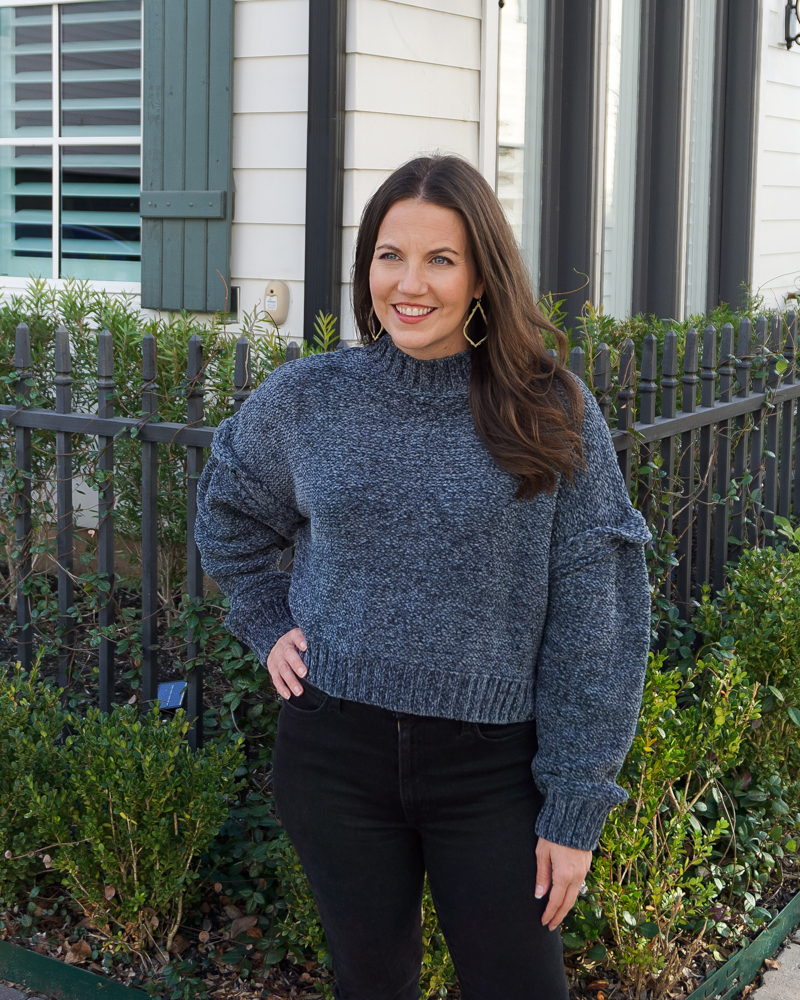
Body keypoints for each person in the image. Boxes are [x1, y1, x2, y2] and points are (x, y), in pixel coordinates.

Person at [195, 154, 651, 1000]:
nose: (410, 283)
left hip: (493, 773)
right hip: (334, 752)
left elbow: (600, 614)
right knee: (372, 985)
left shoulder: (549, 408)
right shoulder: (311, 398)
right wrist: (264, 620)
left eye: (440, 259)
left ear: (481, 275)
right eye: (388, 255)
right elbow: (229, 511)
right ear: (366, 264)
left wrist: (577, 802)